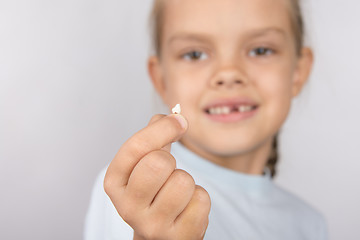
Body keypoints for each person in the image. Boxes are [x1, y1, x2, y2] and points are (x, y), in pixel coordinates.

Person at [84, 0, 328, 239]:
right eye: (195, 54)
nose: (228, 73)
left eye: (260, 50)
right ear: (161, 80)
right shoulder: (140, 193)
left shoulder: (309, 224)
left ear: (298, 72)